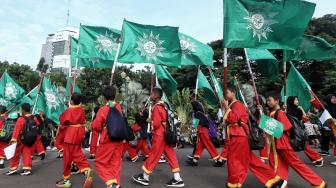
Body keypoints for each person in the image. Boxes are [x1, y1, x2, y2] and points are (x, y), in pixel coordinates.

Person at [222, 85, 287, 188]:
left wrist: (226, 107)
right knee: (252, 161)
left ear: (233, 93)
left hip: (238, 136)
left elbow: (234, 119)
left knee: (234, 160)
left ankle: (233, 183)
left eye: (227, 93)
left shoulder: (237, 104)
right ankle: (276, 181)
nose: (224, 96)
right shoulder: (233, 105)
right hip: (237, 136)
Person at [266, 92, 326, 187]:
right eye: (267, 100)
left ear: (277, 101)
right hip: (275, 144)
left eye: (269, 100)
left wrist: (268, 125)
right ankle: (280, 183)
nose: (267, 102)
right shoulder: (271, 112)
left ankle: (318, 182)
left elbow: (285, 127)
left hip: (283, 143)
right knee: (277, 164)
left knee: (295, 163)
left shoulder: (280, 113)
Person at [132, 88, 185, 187]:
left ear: (156, 95)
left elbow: (156, 124)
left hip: (159, 135)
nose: (150, 95)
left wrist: (149, 121)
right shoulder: (164, 105)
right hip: (166, 134)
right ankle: (177, 178)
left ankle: (145, 177)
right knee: (171, 155)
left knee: (153, 155)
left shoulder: (156, 107)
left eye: (152, 94)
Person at [56, 93, 93, 188]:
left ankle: (66, 180)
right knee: (77, 153)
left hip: (70, 135)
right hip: (79, 134)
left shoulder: (69, 110)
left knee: (67, 158)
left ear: (71, 101)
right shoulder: (81, 110)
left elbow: (61, 120)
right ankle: (86, 169)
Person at [91, 86, 125, 188]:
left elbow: (96, 126)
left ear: (104, 97)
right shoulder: (118, 107)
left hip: (108, 138)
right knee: (115, 163)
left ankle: (111, 184)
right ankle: (116, 184)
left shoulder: (103, 109)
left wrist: (93, 126)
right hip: (119, 139)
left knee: (99, 162)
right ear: (115, 95)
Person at [286, 96, 323, 167]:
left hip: (297, 132)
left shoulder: (298, 110)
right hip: (289, 131)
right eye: (296, 100)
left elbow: (305, 118)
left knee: (304, 146)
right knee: (290, 147)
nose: (297, 101)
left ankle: (318, 158)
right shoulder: (286, 111)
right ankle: (290, 161)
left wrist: (302, 109)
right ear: (291, 101)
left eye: (297, 100)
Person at [6, 103, 40, 176]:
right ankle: (27, 169)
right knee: (27, 153)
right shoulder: (34, 117)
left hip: (21, 139)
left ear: (23, 110)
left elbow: (16, 130)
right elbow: (37, 125)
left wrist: (13, 139)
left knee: (15, 153)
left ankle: (13, 168)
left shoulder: (21, 119)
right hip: (30, 138)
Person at [186, 101, 224, 167]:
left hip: (202, 131)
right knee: (199, 146)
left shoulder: (197, 113)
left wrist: (190, 128)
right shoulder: (202, 113)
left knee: (209, 146)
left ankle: (218, 160)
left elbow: (194, 125)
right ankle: (195, 161)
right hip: (204, 131)